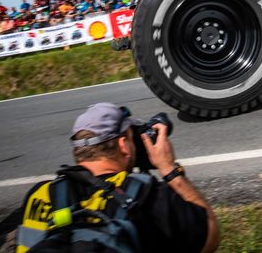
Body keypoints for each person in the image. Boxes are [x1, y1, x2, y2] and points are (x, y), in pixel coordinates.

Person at [17, 103, 219, 253]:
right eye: (132, 138)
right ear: (123, 145)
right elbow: (210, 237)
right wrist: (169, 169)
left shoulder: (39, 195)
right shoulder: (149, 195)